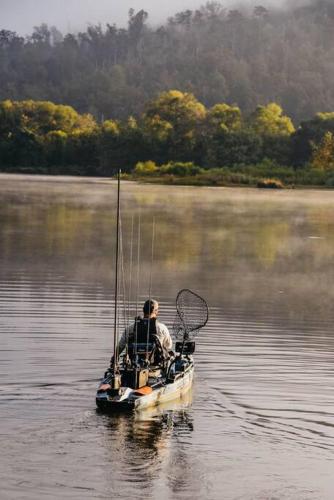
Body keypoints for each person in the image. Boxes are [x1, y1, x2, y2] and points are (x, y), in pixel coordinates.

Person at [110, 299, 173, 366]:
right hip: (155, 365)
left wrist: (114, 358)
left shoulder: (131, 328)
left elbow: (120, 346)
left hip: (133, 364)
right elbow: (168, 346)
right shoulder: (162, 328)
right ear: (156, 311)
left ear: (143, 310)